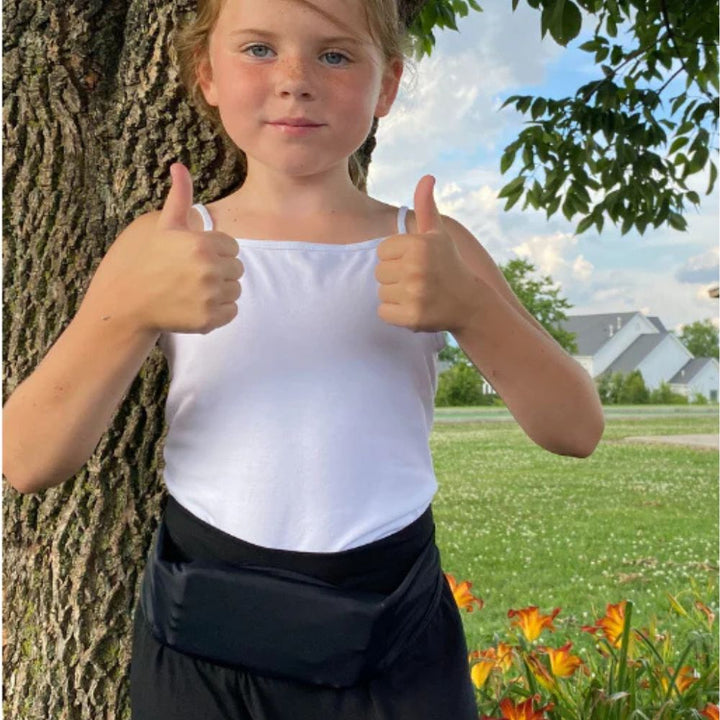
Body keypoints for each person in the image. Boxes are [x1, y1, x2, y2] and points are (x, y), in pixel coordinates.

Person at [2, 0, 605, 717]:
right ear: (207, 73)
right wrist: (131, 312)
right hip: (207, 638)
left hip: (396, 634)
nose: (295, 80)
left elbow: (577, 429)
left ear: (386, 86)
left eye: (335, 55)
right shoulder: (165, 243)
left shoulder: (432, 244)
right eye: (259, 49)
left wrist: (470, 308)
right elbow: (27, 459)